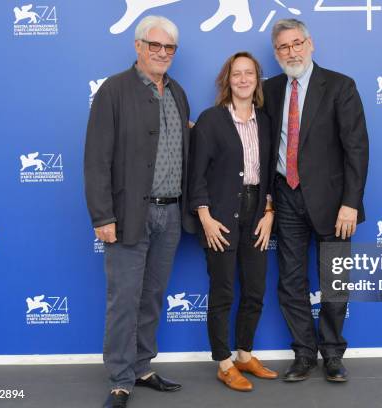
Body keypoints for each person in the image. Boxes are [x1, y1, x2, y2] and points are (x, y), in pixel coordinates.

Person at [84, 15, 195, 408]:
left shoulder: (178, 93)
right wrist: (103, 217)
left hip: (170, 216)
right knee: (123, 299)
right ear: (138, 46)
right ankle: (120, 378)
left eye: (169, 48)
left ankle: (143, 366)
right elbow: (96, 159)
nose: (162, 53)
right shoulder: (113, 91)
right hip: (129, 215)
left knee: (152, 297)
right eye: (155, 46)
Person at [263, 19, 369, 383]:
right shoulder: (271, 89)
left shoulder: (340, 86)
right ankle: (304, 354)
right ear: (276, 53)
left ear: (310, 44)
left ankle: (334, 355)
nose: (291, 52)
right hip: (286, 196)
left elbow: (356, 148)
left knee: (334, 280)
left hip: (334, 202)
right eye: (283, 47)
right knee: (290, 281)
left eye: (296, 44)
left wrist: (351, 203)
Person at [189, 52, 278, 392]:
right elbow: (196, 175)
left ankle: (244, 354)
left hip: (257, 212)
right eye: (236, 74)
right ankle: (224, 363)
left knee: (255, 289)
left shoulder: (266, 121)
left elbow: (270, 173)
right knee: (223, 290)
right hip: (220, 214)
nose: (243, 79)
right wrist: (205, 218)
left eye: (249, 73)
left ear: (257, 80)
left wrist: (269, 213)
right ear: (227, 80)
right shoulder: (211, 120)